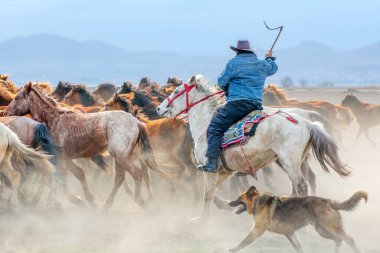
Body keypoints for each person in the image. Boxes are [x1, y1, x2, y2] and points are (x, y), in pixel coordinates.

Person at [197, 40, 278, 173]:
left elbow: (222, 82)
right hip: (256, 105)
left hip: (237, 104)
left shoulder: (233, 63)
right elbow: (273, 68)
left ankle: (212, 162)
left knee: (215, 127)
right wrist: (269, 58)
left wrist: (227, 90)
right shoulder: (262, 64)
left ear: (237, 51)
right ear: (251, 51)